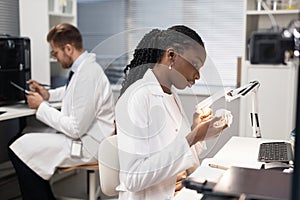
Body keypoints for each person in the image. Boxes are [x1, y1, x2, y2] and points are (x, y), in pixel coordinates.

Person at [115, 25, 228, 200]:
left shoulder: (170, 94)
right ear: (171, 55)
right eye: (195, 64)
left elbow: (179, 153)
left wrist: (196, 129)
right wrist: (194, 136)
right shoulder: (136, 98)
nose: (198, 75)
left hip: (183, 190)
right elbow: (133, 178)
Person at [8, 23, 115, 200]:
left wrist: (41, 106)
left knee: (19, 147)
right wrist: (47, 94)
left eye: (55, 52)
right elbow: (71, 92)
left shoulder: (88, 74)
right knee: (23, 138)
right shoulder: (83, 69)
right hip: (86, 137)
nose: (55, 57)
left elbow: (74, 128)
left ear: (68, 48)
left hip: (87, 145)